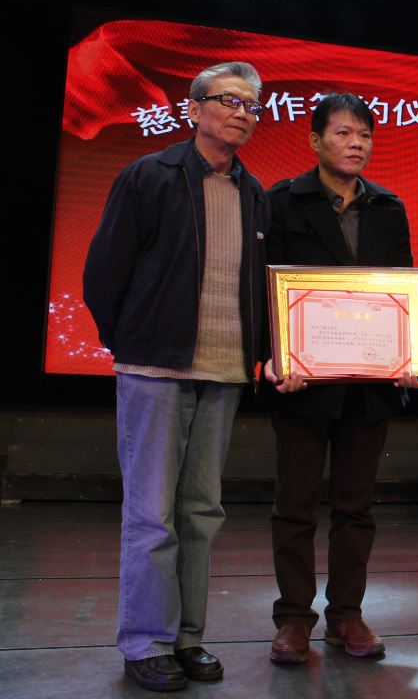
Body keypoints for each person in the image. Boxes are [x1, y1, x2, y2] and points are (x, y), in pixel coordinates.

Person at [83, 62, 269, 692]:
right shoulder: (150, 175)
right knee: (151, 517)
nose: (241, 112)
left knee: (201, 513)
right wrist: (134, 341)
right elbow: (104, 272)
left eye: (251, 105)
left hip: (225, 372)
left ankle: (187, 637)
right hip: (154, 370)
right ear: (193, 109)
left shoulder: (254, 192)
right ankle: (146, 641)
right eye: (228, 100)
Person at [261, 93, 418, 664]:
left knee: (356, 509)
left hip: (369, 385)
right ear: (315, 140)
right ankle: (293, 618)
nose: (356, 144)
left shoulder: (388, 208)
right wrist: (274, 357)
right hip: (303, 382)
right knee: (295, 507)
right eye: (344, 133)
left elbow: (402, 290)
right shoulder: (282, 202)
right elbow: (264, 288)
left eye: (365, 135)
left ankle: (346, 614)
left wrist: (410, 354)